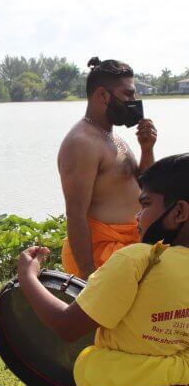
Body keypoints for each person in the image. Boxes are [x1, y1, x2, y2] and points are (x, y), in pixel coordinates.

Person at [17, 153, 189, 386]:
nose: (137, 217)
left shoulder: (139, 260)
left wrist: (27, 277)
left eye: (146, 204)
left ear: (179, 212)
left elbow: (67, 325)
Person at [58, 57, 158, 279]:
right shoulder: (81, 143)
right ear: (103, 95)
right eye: (128, 94)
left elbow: (144, 187)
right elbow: (76, 214)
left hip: (129, 250)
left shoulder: (111, 136)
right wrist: (88, 276)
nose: (134, 101)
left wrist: (147, 149)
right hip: (102, 257)